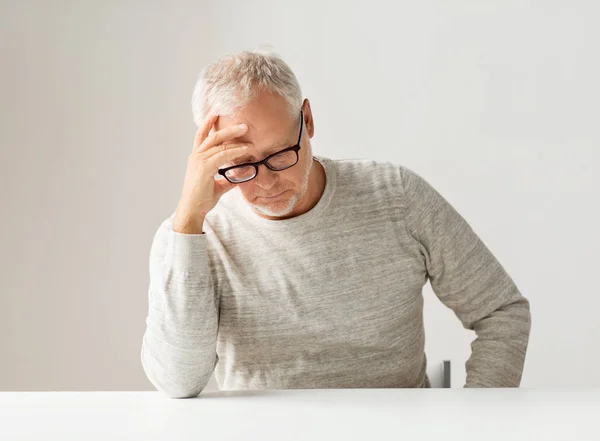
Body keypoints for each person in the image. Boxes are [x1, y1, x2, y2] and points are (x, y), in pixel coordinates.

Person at [141, 48, 531, 398]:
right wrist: (189, 221)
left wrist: (481, 417)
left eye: (280, 155)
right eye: (242, 164)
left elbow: (501, 311)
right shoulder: (191, 238)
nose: (266, 182)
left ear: (307, 121)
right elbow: (179, 381)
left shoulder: (396, 195)